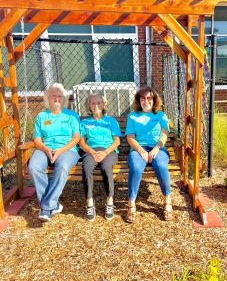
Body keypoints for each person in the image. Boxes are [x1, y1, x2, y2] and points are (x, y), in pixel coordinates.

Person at [28, 83, 80, 221]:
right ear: (48, 99)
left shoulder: (72, 115)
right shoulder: (42, 116)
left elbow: (76, 137)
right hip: (46, 148)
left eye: (59, 96)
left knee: (62, 167)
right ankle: (53, 204)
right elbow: (37, 140)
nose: (57, 98)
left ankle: (46, 207)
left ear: (63, 99)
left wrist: (60, 151)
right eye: (53, 96)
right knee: (33, 167)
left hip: (68, 149)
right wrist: (46, 148)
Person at [125, 87, 173, 223]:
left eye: (149, 98)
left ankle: (167, 201)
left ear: (154, 99)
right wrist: (141, 151)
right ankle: (131, 204)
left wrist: (156, 149)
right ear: (139, 100)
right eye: (142, 98)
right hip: (138, 149)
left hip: (157, 148)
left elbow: (164, 134)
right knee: (135, 166)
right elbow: (130, 137)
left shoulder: (160, 115)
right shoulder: (133, 116)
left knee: (161, 165)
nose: (146, 101)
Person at [79, 93, 121, 221]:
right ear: (89, 107)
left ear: (104, 105)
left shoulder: (111, 121)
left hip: (109, 151)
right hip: (90, 151)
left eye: (99, 103)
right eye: (93, 103)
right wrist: (92, 152)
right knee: (87, 167)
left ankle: (109, 200)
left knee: (106, 166)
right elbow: (81, 142)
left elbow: (117, 141)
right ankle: (90, 203)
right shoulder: (85, 122)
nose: (96, 105)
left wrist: (105, 152)